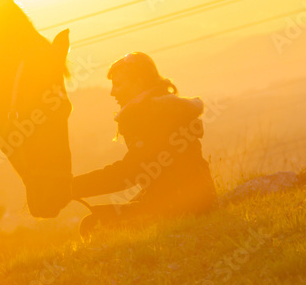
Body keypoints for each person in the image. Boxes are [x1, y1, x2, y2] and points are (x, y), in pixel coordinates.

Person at [73, 52, 216, 236]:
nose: (112, 92)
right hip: (200, 198)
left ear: (139, 83)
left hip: (179, 207)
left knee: (93, 226)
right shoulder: (162, 107)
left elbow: (129, 172)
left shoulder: (148, 116)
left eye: (118, 84)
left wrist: (73, 187)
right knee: (112, 214)